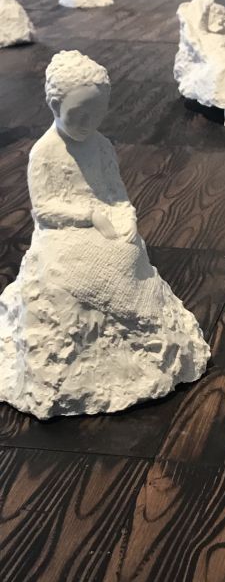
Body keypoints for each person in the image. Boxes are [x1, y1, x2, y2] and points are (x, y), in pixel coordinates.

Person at [0, 50, 210, 419]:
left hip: (106, 223)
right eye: (78, 115)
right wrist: (88, 215)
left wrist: (126, 216)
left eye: (96, 114)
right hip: (63, 234)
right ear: (54, 106)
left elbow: (115, 192)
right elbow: (44, 210)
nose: (88, 123)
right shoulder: (46, 153)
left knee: (129, 254)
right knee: (70, 273)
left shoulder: (100, 145)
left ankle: (147, 340)